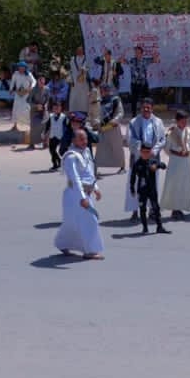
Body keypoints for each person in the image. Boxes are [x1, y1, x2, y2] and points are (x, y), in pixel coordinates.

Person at [56, 128, 105, 259]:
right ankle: (90, 251)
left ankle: (63, 244)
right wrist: (82, 198)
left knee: (72, 222)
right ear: (73, 140)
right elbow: (75, 178)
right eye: (81, 139)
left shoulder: (87, 152)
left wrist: (96, 188)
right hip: (75, 194)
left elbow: (89, 173)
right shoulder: (71, 157)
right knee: (91, 220)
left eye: (85, 138)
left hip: (86, 193)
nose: (84, 141)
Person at [127, 99, 168, 217]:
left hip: (153, 157)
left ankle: (151, 210)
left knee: (152, 184)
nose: (146, 109)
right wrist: (142, 151)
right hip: (138, 157)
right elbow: (130, 139)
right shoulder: (134, 122)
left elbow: (162, 139)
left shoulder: (158, 122)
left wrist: (153, 151)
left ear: (152, 108)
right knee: (136, 183)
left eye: (148, 107)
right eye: (144, 107)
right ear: (141, 108)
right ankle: (135, 211)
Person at [161, 111, 190, 219]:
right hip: (175, 161)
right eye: (182, 121)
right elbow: (167, 149)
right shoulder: (172, 133)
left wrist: (186, 150)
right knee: (174, 185)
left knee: (183, 185)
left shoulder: (188, 131)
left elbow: (189, 144)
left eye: (186, 121)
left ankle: (180, 207)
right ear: (177, 121)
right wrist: (177, 152)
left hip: (185, 161)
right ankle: (174, 209)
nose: (184, 123)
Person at [131, 145, 171, 236]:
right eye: (143, 152)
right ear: (140, 152)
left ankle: (159, 226)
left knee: (156, 208)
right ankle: (145, 227)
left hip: (152, 189)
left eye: (147, 152)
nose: (145, 154)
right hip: (142, 190)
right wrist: (132, 189)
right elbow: (133, 177)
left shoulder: (153, 161)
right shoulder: (137, 164)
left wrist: (156, 166)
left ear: (150, 152)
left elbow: (164, 165)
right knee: (142, 208)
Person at [96, 85, 128, 177]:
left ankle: (122, 166)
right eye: (102, 90)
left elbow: (120, 112)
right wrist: (97, 123)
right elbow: (96, 113)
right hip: (103, 127)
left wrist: (114, 120)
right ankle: (96, 166)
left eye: (105, 89)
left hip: (113, 126)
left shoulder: (115, 99)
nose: (103, 92)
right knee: (101, 147)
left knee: (117, 147)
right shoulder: (99, 101)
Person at [10, 61, 36, 135]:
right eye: (20, 67)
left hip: (26, 94)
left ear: (25, 68)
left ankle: (29, 126)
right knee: (15, 109)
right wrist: (11, 89)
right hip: (18, 94)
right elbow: (12, 82)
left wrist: (31, 87)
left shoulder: (29, 74)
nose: (21, 69)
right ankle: (15, 126)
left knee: (26, 109)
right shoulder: (16, 74)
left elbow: (34, 82)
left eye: (22, 67)